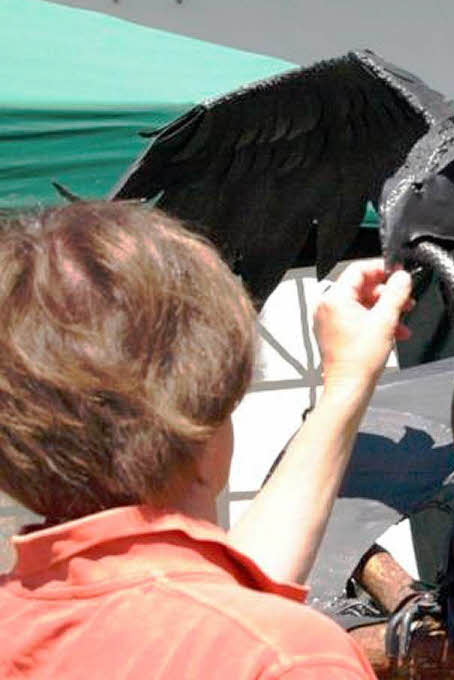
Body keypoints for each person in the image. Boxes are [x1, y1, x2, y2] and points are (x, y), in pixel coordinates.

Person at [0, 201, 413, 679]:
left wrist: (345, 385)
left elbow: (194, 610)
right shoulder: (289, 660)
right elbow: (222, 629)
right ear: (211, 421)